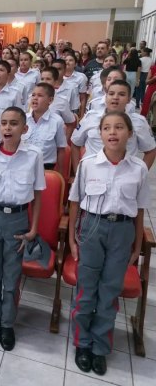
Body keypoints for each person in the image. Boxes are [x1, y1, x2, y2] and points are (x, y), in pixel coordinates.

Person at [68, 111, 149, 376]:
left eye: (119, 128)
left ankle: (100, 347)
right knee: (86, 289)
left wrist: (137, 246)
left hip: (122, 231)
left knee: (109, 291)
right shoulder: (88, 163)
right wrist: (72, 238)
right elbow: (75, 202)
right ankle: (82, 342)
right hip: (92, 228)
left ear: (130, 134)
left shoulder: (138, 169)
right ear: (99, 133)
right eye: (106, 128)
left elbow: (138, 210)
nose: (112, 132)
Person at [0, 106, 46, 351]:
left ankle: (7, 323)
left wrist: (34, 228)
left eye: (14, 123)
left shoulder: (34, 155)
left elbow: (37, 196)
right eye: (3, 123)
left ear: (24, 129)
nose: (7, 127)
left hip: (18, 221)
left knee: (12, 276)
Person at [71, 80, 156, 172]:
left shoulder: (138, 122)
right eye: (111, 94)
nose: (115, 97)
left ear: (128, 99)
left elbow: (150, 150)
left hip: (124, 175)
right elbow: (75, 143)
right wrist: (77, 173)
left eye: (121, 94)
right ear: (105, 97)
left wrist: (139, 175)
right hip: (92, 175)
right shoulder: (90, 117)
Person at [23, 83, 67, 171]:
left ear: (50, 100)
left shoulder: (57, 121)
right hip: (23, 166)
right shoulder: (24, 119)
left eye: (40, 95)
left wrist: (60, 174)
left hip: (46, 168)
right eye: (33, 95)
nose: (35, 98)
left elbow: (61, 149)